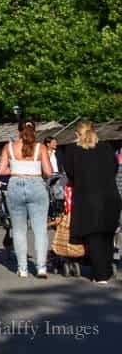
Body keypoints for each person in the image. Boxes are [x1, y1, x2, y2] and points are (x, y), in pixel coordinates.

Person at [59, 121, 121, 284]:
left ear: (77, 134)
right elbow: (115, 168)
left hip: (87, 197)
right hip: (110, 196)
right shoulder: (107, 148)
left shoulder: (72, 150)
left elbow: (70, 173)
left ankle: (100, 275)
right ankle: (106, 269)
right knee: (107, 234)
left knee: (93, 235)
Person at [0, 120, 54, 278]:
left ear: (18, 131)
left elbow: (1, 170)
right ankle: (41, 267)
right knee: (40, 229)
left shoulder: (9, 147)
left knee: (19, 230)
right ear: (34, 131)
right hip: (36, 185)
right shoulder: (40, 148)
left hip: (15, 185)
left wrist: (16, 167)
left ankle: (22, 269)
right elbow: (49, 172)